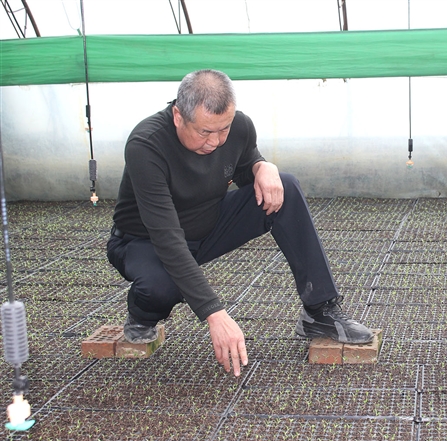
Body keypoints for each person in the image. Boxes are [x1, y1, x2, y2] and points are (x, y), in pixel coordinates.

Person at [107, 69, 373, 376]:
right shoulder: (146, 145)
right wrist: (214, 314)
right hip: (144, 241)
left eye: (224, 129)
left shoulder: (239, 127)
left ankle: (320, 310)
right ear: (178, 116)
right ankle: (142, 314)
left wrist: (262, 166)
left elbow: (245, 167)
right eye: (205, 132)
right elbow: (166, 237)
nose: (216, 141)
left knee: (284, 187)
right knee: (160, 287)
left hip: (208, 225)